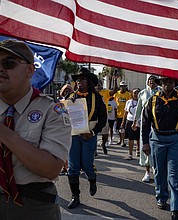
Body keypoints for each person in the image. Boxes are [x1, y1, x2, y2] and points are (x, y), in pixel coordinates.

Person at [0, 39, 71, 220]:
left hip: (33, 206)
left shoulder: (52, 110)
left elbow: (51, 168)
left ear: (30, 70)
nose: (1, 69)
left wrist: (4, 133)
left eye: (9, 63)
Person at [142, 76, 178, 220]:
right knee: (159, 171)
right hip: (158, 140)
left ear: (174, 84)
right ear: (160, 84)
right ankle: (161, 197)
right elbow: (145, 122)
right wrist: (145, 142)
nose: (167, 85)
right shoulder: (153, 100)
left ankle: (176, 209)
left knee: (175, 174)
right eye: (164, 82)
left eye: (170, 82)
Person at [66, 67, 107, 209]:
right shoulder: (70, 97)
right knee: (73, 168)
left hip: (89, 136)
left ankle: (92, 179)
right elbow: (64, 116)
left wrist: (94, 132)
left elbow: (103, 118)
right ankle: (75, 196)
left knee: (87, 166)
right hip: (74, 136)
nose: (79, 82)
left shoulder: (97, 98)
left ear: (88, 82)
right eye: (77, 80)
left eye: (82, 79)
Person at [132, 75, 159, 182]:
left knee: (157, 147)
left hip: (158, 125)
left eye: (154, 81)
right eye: (150, 81)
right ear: (148, 83)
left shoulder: (160, 92)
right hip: (145, 124)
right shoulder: (142, 93)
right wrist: (135, 121)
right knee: (146, 146)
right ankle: (147, 172)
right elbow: (139, 108)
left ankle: (156, 170)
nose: (152, 83)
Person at [95, 78, 118, 154]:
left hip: (104, 116)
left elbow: (115, 90)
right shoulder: (92, 93)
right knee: (93, 134)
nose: (98, 85)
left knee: (105, 135)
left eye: (100, 84)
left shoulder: (106, 92)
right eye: (97, 84)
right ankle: (94, 150)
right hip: (94, 116)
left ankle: (103, 144)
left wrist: (115, 80)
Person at [59, 84, 74, 176]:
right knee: (63, 149)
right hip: (62, 128)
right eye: (65, 91)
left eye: (69, 91)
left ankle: (71, 167)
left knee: (72, 150)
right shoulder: (59, 102)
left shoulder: (76, 101)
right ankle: (64, 167)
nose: (67, 93)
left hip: (74, 129)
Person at [121, 88, 140, 160]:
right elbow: (125, 113)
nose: (136, 94)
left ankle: (138, 150)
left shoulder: (141, 102)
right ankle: (130, 153)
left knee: (138, 138)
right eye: (135, 93)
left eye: (137, 93)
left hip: (139, 121)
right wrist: (123, 122)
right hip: (130, 120)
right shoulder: (129, 102)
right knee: (131, 138)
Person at [114, 81, 131, 147]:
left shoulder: (128, 94)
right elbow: (114, 104)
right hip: (118, 114)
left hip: (125, 115)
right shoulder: (116, 94)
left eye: (124, 86)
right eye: (121, 86)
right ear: (120, 87)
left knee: (123, 128)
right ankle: (120, 139)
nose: (123, 87)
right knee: (119, 128)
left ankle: (123, 141)